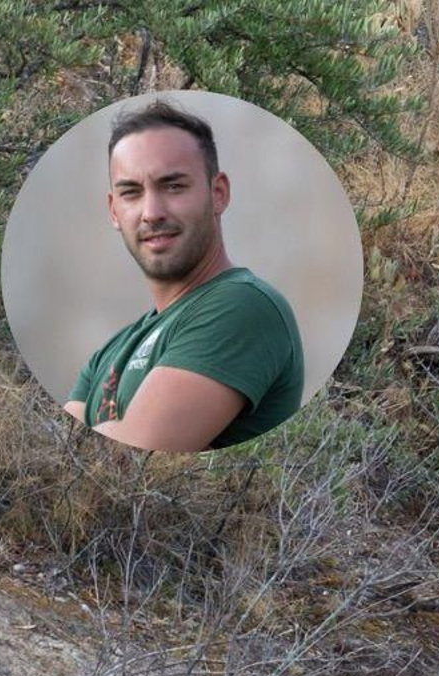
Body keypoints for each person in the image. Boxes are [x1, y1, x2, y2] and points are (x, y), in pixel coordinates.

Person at [64, 100, 304, 452]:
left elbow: (131, 458)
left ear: (218, 194)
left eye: (173, 186)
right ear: (114, 211)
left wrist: (115, 430)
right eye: (131, 193)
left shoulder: (244, 306)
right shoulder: (109, 353)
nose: (151, 213)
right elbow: (57, 453)